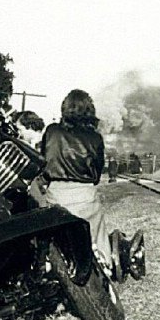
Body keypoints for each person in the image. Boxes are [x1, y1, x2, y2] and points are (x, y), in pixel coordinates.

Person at [39, 89, 145, 282]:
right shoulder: (95, 138)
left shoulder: (51, 131)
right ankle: (105, 265)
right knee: (97, 233)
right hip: (84, 195)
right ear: (90, 111)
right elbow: (96, 175)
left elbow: (43, 160)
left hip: (55, 194)